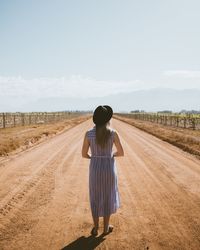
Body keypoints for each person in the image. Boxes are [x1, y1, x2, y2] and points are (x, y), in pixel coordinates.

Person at [81, 105, 124, 236]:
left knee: (95, 196)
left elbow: (84, 154)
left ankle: (95, 228)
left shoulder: (89, 134)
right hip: (109, 168)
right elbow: (121, 152)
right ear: (107, 119)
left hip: (95, 168)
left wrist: (94, 158)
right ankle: (106, 228)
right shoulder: (113, 133)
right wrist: (109, 156)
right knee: (108, 195)